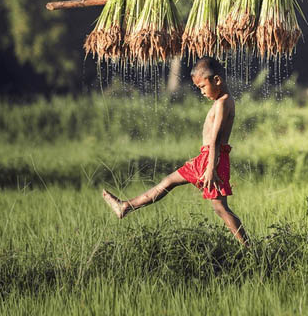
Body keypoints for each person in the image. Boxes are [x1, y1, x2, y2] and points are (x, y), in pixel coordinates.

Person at [101, 56, 248, 244]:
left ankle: (249, 248)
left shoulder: (223, 103)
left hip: (213, 159)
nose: (201, 92)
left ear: (217, 80)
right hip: (209, 158)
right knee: (173, 183)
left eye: (203, 86)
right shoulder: (223, 100)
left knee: (220, 208)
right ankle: (125, 207)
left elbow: (215, 139)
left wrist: (210, 168)